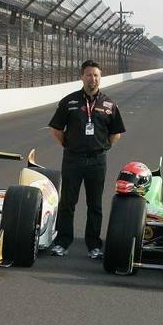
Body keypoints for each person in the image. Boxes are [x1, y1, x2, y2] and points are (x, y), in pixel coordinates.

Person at [48, 59, 126, 258]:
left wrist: (104, 146)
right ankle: (62, 242)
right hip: (73, 159)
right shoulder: (69, 102)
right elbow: (56, 129)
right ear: (82, 76)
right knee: (68, 202)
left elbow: (116, 133)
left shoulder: (109, 104)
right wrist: (68, 144)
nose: (93, 79)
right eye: (89, 75)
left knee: (95, 205)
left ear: (101, 78)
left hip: (97, 161)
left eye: (97, 75)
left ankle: (94, 245)